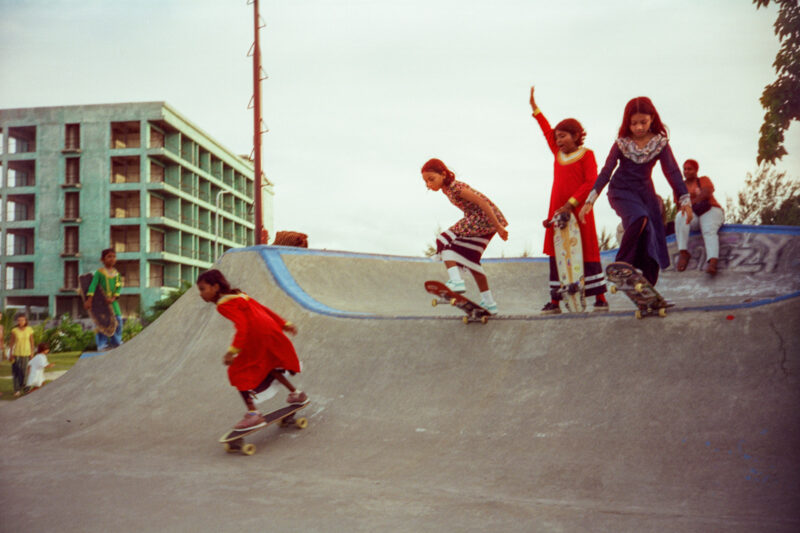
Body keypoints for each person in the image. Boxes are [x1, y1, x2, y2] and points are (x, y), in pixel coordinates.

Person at [579, 97, 692, 286]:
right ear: (627, 123)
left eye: (643, 122)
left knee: (652, 234)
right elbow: (607, 170)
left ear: (652, 120)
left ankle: (647, 283)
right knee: (639, 218)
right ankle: (621, 262)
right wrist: (591, 199)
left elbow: (672, 172)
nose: (639, 127)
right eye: (634, 124)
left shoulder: (659, 143)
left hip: (645, 194)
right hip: (621, 191)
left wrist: (685, 201)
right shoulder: (622, 143)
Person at [529, 86, 608, 314]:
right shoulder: (558, 153)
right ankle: (555, 302)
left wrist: (571, 204)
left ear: (575, 135)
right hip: (557, 211)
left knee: (585, 251)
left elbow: (591, 181)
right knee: (558, 253)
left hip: (578, 213)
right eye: (557, 137)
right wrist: (536, 110)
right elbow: (546, 130)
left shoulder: (587, 155)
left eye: (562, 136)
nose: (558, 140)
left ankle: (600, 298)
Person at [197, 269, 307, 430]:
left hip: (256, 335)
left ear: (215, 287)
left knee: (236, 372)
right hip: (269, 331)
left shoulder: (223, 304)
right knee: (268, 364)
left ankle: (253, 415)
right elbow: (263, 309)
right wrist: (284, 323)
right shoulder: (240, 295)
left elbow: (242, 326)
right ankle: (297, 394)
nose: (201, 294)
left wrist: (232, 351)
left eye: (202, 289)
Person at [421, 158, 509, 314]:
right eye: (426, 182)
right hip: (484, 224)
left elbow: (483, 203)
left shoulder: (456, 188)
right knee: (472, 261)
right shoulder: (446, 189)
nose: (429, 184)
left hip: (483, 219)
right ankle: (489, 303)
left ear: (443, 174)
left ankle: (456, 281)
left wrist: (498, 226)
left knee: (443, 240)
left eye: (431, 179)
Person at [674, 159, 724, 275]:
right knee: (680, 216)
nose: (686, 171)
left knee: (708, 229)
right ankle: (683, 252)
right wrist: (694, 200)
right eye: (685, 169)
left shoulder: (703, 180)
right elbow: (679, 206)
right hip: (695, 215)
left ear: (696, 170)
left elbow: (706, 193)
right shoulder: (680, 186)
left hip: (710, 209)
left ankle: (712, 261)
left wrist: (690, 202)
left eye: (689, 169)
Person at [84, 248, 123, 350]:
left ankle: (117, 342)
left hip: (113, 303)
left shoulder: (117, 274)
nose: (112, 259)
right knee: (102, 323)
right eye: (109, 256)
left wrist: (114, 298)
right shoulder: (99, 272)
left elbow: (119, 287)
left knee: (118, 320)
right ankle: (102, 344)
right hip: (101, 303)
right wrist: (89, 300)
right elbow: (93, 285)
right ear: (102, 259)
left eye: (114, 257)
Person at [8, 313, 35, 397]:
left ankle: (26, 388)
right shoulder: (14, 330)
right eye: (19, 320)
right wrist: (11, 353)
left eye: (22, 320)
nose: (21, 321)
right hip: (16, 354)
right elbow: (11, 343)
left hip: (27, 354)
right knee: (16, 372)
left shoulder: (29, 329)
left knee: (26, 372)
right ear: (17, 321)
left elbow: (32, 342)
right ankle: (17, 390)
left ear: (26, 321)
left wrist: (32, 353)